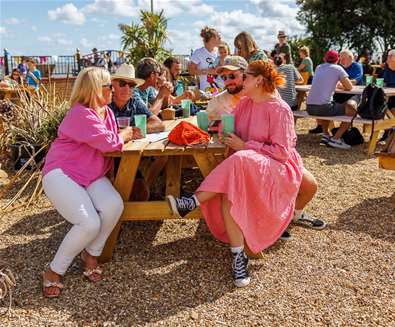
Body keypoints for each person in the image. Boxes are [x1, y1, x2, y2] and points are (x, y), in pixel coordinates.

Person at [167, 60, 305, 287]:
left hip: (277, 168)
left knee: (240, 158)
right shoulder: (244, 105)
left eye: (246, 76)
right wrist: (222, 133)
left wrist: (245, 146)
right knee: (232, 189)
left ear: (258, 80)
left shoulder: (280, 109)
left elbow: (282, 153)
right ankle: (238, 257)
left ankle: (192, 201)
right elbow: (233, 132)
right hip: (246, 166)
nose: (242, 80)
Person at [207, 55, 326, 240]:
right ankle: (272, 223)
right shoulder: (227, 101)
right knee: (260, 190)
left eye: (235, 76)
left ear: (253, 79)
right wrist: (226, 132)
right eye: (224, 77)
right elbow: (221, 125)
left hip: (274, 155)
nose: (228, 81)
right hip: (250, 158)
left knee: (310, 186)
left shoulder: (271, 100)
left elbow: (282, 148)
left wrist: (245, 144)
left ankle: (289, 217)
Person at [41, 67, 136, 298]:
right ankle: (54, 271)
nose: (113, 90)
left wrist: (122, 136)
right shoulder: (80, 113)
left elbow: (110, 143)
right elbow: (111, 143)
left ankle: (90, 253)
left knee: (114, 205)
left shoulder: (106, 112)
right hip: (61, 173)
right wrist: (125, 135)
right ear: (95, 89)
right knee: (89, 223)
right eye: (108, 86)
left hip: (90, 174)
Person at [306, 50, 355, 150]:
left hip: (309, 107)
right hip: (323, 108)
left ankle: (325, 134)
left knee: (328, 102)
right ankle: (336, 139)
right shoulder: (338, 68)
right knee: (352, 109)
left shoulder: (319, 67)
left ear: (325, 59)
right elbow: (349, 87)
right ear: (338, 59)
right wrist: (340, 86)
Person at [110, 63, 165, 132]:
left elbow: (159, 124)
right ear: (113, 85)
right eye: (122, 84)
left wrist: (132, 130)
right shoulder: (104, 104)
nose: (127, 89)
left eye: (131, 85)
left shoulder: (134, 103)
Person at [189, 26, 221, 92]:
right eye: (218, 36)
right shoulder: (198, 53)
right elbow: (191, 71)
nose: (220, 38)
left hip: (221, 90)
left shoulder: (220, 51)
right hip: (206, 92)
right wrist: (207, 71)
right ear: (212, 38)